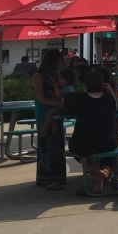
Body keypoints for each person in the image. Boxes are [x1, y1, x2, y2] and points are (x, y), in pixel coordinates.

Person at [65, 71, 118, 195]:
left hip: (84, 142)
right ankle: (99, 180)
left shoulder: (80, 99)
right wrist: (110, 91)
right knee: (110, 153)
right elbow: (115, 108)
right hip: (107, 142)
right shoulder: (108, 98)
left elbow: (66, 108)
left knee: (76, 150)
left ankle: (95, 170)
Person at [33, 49, 66, 190]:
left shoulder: (55, 76)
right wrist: (57, 103)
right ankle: (46, 178)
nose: (61, 63)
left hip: (57, 113)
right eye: (59, 60)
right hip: (43, 112)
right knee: (47, 144)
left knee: (57, 144)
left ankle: (58, 177)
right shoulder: (38, 76)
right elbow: (40, 97)